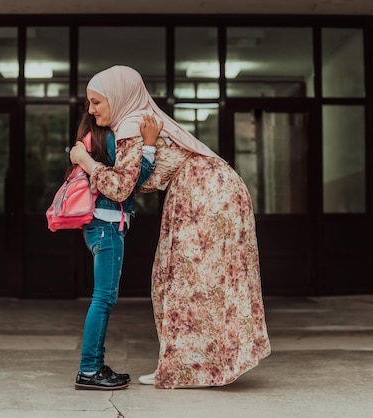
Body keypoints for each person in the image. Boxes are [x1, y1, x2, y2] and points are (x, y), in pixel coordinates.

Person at [70, 65, 271, 389]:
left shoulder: (132, 125)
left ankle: (191, 369)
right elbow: (137, 179)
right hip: (205, 190)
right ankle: (189, 365)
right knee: (181, 279)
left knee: (186, 280)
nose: (91, 111)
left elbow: (122, 186)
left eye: (97, 102)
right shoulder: (134, 122)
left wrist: (85, 160)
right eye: (90, 103)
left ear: (118, 98)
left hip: (205, 193)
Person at [72, 102, 161, 390]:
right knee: (104, 298)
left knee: (103, 298)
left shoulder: (90, 138)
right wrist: (148, 146)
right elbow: (131, 180)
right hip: (107, 225)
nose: (93, 108)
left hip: (98, 225)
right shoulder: (111, 138)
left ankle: (94, 365)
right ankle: (89, 369)